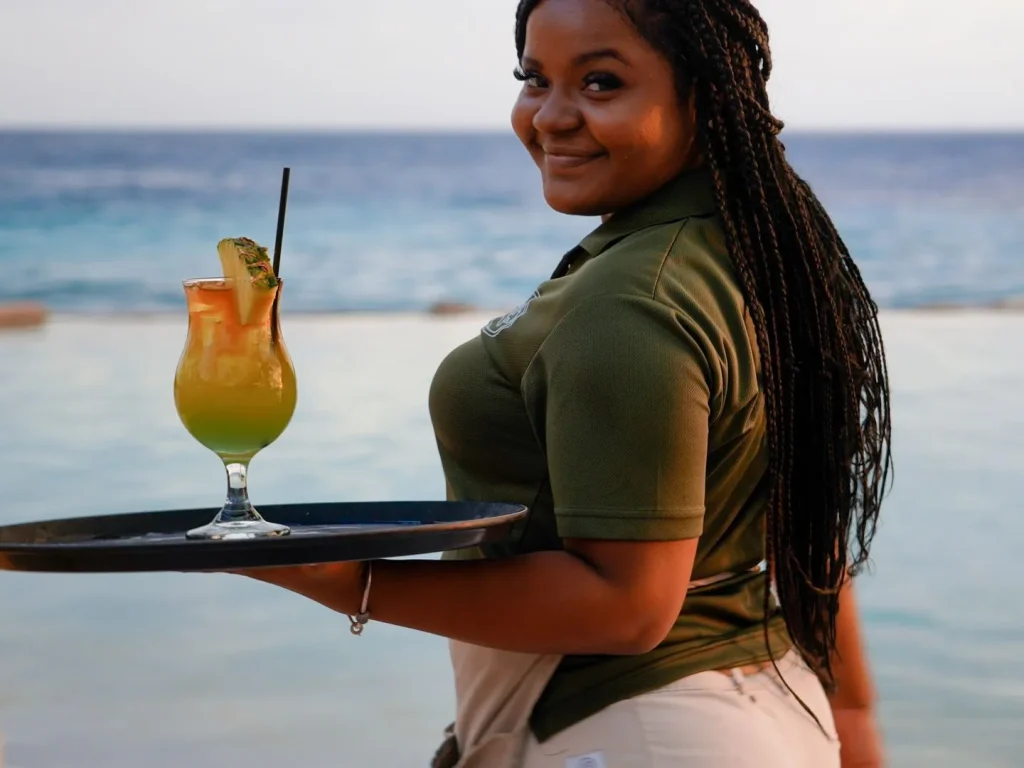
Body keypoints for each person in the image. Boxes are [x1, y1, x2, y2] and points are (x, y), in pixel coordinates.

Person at [231, 1, 892, 766]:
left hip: (635, 729)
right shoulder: (765, 256)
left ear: (707, 97)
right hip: (769, 707)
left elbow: (627, 605)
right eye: (533, 79)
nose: (550, 116)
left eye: (601, 83)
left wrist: (350, 580)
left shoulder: (635, 300)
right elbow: (808, 520)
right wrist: (856, 717)